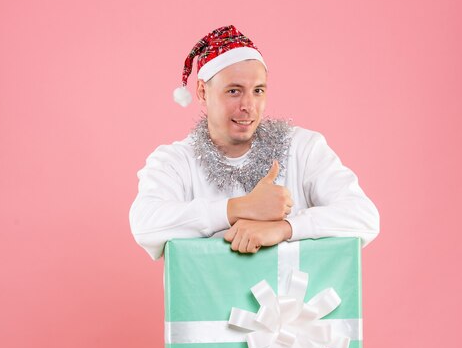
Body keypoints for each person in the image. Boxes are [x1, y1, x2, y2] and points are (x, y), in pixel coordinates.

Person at [129, 25, 380, 260]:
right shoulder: (174, 161)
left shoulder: (304, 148)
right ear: (203, 92)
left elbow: (364, 217)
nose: (248, 106)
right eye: (234, 91)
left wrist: (285, 228)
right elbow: (146, 224)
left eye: (258, 90)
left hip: (293, 306)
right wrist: (239, 208)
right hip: (207, 306)